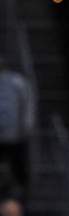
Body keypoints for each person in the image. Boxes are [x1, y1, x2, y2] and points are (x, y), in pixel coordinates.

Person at [0, 56, 35, 189]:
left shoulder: (17, 82)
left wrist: (26, 126)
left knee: (19, 168)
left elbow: (27, 106)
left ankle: (22, 192)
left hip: (16, 135)